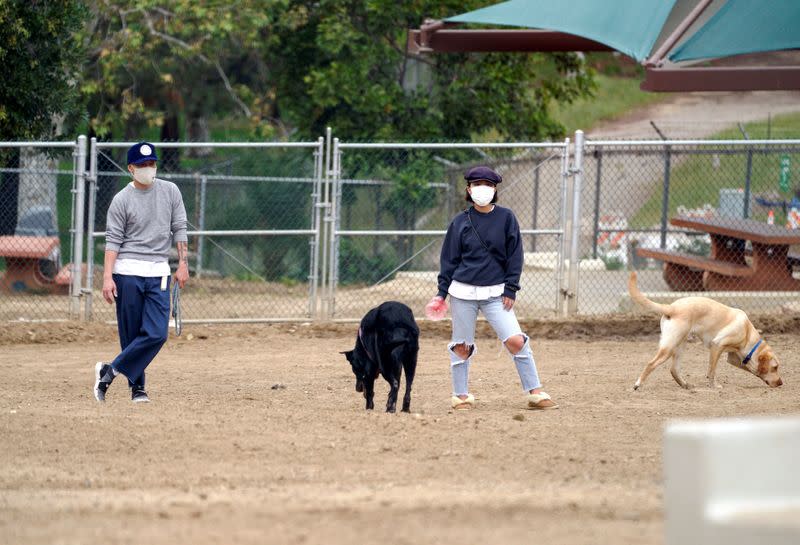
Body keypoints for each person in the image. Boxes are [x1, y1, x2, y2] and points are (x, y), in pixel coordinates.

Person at [428, 165, 558, 411]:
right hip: (462, 293)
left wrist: (511, 288)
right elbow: (449, 261)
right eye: (477, 184)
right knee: (461, 347)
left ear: (495, 189)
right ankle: (461, 396)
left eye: (487, 185)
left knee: (516, 340)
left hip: (496, 293)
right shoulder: (459, 222)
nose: (482, 189)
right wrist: (441, 294)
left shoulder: (507, 218)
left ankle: (536, 393)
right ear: (468, 189)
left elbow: (515, 255)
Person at [93, 142, 189, 403]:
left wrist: (183, 263)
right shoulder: (121, 199)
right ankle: (138, 389)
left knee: (157, 332)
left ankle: (109, 370)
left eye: (152, 164)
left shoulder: (170, 191)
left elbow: (180, 227)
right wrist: (107, 277)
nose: (149, 169)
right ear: (131, 169)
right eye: (143, 165)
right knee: (132, 334)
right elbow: (113, 240)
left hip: (158, 271)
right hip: (128, 272)